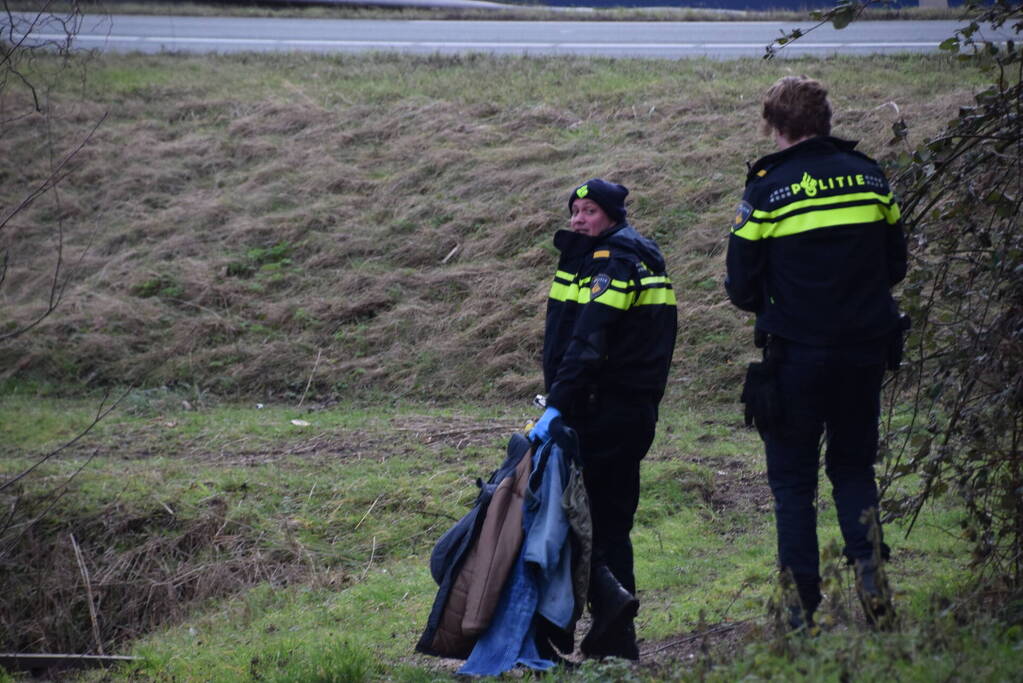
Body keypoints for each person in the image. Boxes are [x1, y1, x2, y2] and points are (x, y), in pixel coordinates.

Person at [725, 76, 907, 631]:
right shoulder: (871, 176)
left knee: (792, 482)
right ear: (825, 120)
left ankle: (801, 611)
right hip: (865, 352)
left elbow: (739, 286)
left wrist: (785, 303)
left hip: (797, 355)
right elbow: (895, 264)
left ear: (774, 125)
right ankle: (874, 589)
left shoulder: (766, 187)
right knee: (853, 468)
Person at [530, 178, 677, 659]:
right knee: (609, 522)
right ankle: (615, 641)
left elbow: (588, 343)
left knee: (578, 522)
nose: (577, 218)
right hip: (626, 409)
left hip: (602, 411)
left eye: (589, 210)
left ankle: (584, 632)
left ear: (611, 215)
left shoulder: (610, 263)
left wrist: (558, 404)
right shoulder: (623, 256)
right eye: (574, 210)